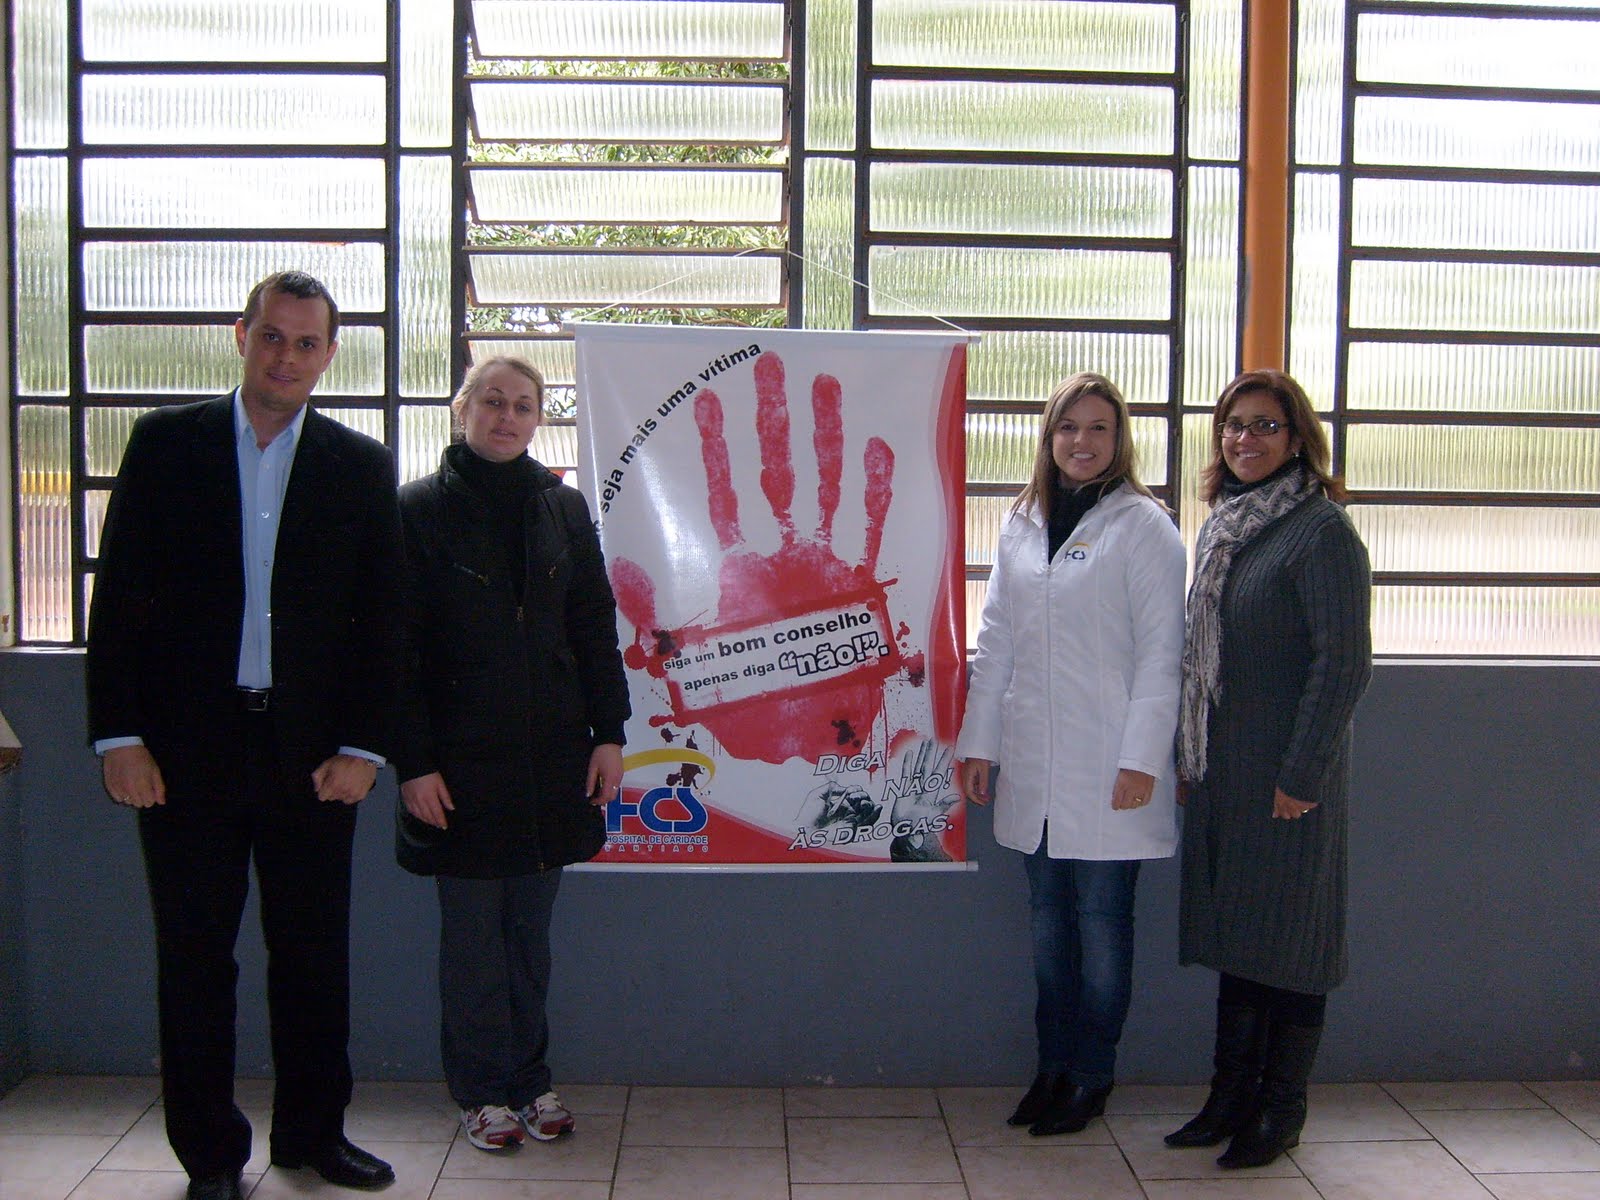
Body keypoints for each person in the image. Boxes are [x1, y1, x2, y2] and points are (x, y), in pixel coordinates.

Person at [85, 271, 405, 1200]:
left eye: (306, 343)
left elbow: (384, 619)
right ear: (241, 335)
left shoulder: (359, 464)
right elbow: (121, 598)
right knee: (194, 961)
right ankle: (212, 1157)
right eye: (272, 336)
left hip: (313, 757)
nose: (286, 357)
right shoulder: (166, 444)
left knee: (313, 957)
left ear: (329, 355)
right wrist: (118, 737)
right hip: (184, 755)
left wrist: (365, 748)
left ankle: (313, 1135)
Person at [393, 356, 630, 1152]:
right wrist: (413, 763)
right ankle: (481, 1092)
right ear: (462, 409)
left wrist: (609, 734)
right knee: (471, 943)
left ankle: (530, 1082)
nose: (507, 416)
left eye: (523, 405)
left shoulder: (562, 506)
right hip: (456, 768)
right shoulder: (417, 510)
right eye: (492, 401)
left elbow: (594, 624)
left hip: (551, 761)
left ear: (538, 420)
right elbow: (397, 652)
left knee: (529, 938)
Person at [956, 373, 1186, 1136]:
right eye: (1068, 427)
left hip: (1111, 765)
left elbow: (1163, 655)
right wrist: (981, 743)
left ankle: (1091, 1076)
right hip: (1035, 760)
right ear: (1048, 437)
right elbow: (996, 641)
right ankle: (1051, 1067)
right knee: (1049, 931)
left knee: (1102, 928)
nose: (1082, 442)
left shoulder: (1145, 527)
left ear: (1120, 440)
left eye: (1098, 428)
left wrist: (1142, 761)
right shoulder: (1023, 522)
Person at [1166, 368, 1371, 1169]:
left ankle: (1281, 1109)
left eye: (1264, 425)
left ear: (1298, 438)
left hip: (1290, 784)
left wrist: (1302, 776)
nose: (1244, 439)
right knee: (1242, 938)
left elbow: (1341, 665)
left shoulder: (1320, 532)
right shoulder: (1229, 527)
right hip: (1228, 775)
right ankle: (1230, 1097)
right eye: (1233, 424)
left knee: (1293, 945)